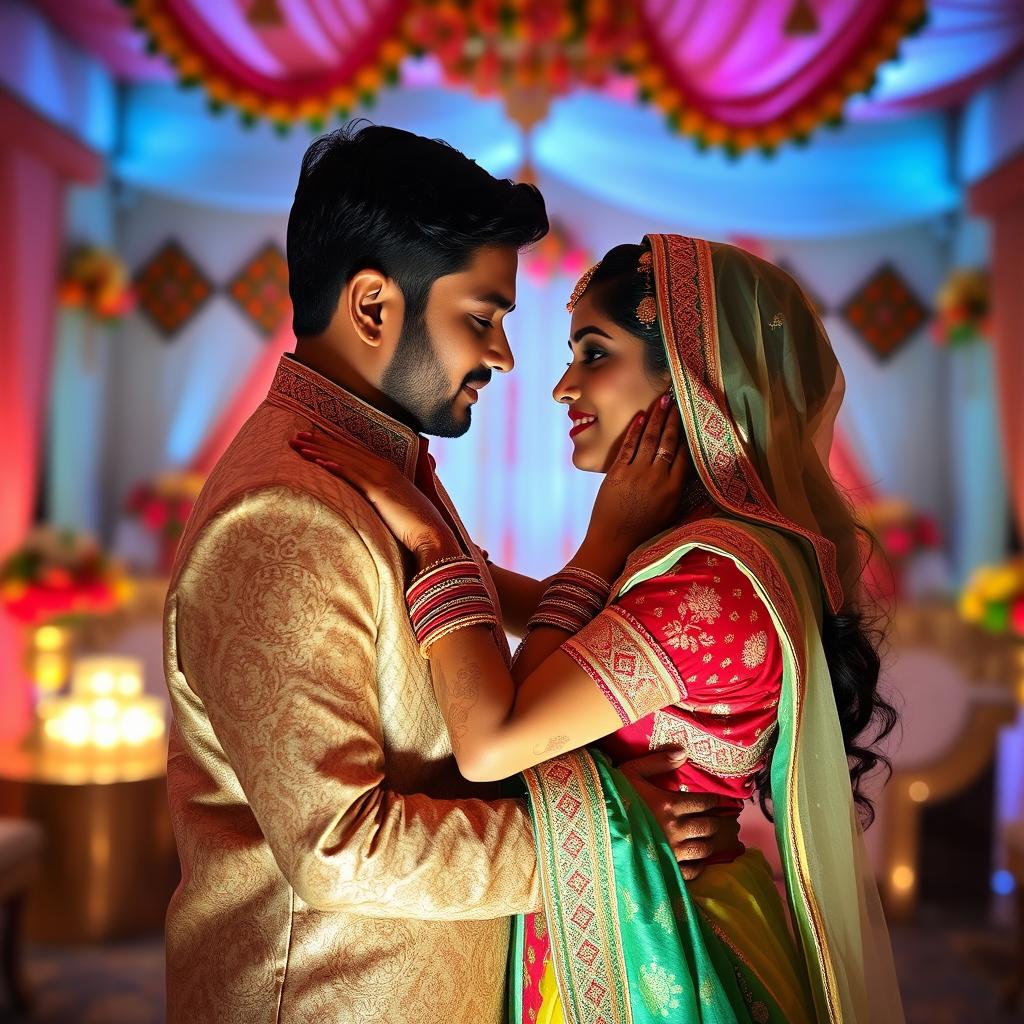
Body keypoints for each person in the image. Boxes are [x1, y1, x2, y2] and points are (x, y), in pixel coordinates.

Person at [162, 128, 733, 1024]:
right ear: (374, 306)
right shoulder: (287, 514)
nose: (505, 357)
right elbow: (339, 850)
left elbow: (469, 613)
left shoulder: (376, 467)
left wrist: (628, 547)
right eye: (482, 318)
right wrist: (615, 846)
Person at [294, 234, 906, 1022]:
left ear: (691, 382)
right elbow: (568, 615)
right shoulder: (709, 554)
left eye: (594, 352)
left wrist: (439, 545)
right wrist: (423, 516)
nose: (561, 386)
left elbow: (493, 738)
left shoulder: (712, 582)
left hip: (662, 945)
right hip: (654, 907)